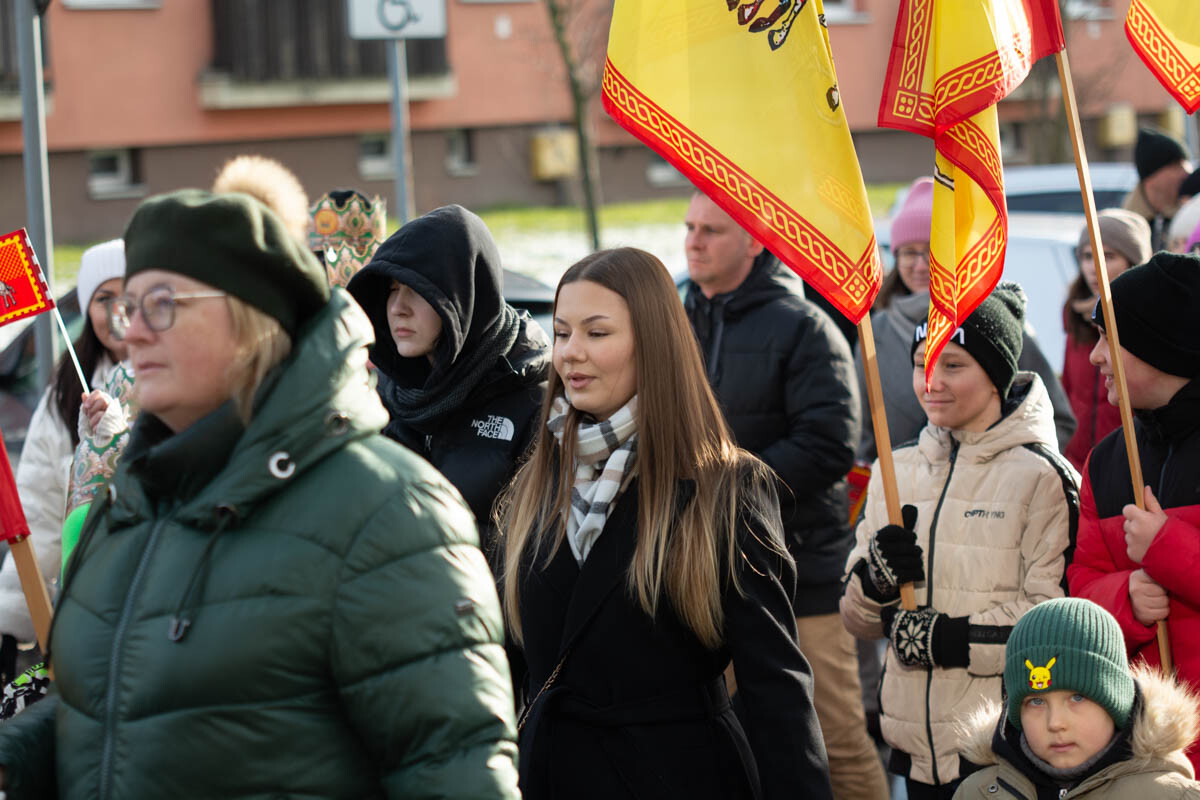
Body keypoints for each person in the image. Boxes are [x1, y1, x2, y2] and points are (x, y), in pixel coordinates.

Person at [0, 190, 520, 798]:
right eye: (126, 307)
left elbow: (453, 772)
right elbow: (113, 707)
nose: (131, 332)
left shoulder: (388, 513)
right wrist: (15, 755)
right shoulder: (134, 502)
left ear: (251, 321)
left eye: (161, 305)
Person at [498, 247, 833, 800]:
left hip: (679, 775)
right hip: (551, 776)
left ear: (653, 343)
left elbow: (776, 693)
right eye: (560, 333)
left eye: (597, 333)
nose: (570, 352)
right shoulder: (535, 479)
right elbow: (510, 661)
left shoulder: (725, 487)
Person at [681, 191, 884, 799]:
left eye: (711, 230)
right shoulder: (676, 322)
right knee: (732, 740)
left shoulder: (805, 328)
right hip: (702, 569)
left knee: (834, 739)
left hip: (801, 574)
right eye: (689, 227)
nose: (693, 241)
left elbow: (827, 445)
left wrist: (724, 487)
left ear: (754, 241)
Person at [841, 283, 1078, 800]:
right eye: (922, 364)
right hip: (915, 750)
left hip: (1005, 749)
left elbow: (1052, 622)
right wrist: (875, 581)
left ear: (994, 375)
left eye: (953, 365)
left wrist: (945, 639)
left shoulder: (1041, 477)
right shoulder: (894, 469)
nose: (932, 381)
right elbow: (858, 620)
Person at [347, 205, 549, 555]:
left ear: (466, 298)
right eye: (392, 290)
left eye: (416, 289)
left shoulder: (534, 403)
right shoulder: (376, 397)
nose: (398, 307)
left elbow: (534, 556)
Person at [1067, 250, 1200, 775]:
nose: (1095, 356)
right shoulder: (1107, 459)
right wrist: (1127, 599)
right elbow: (1082, 583)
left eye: (1110, 338)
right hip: (1142, 751)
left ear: (1161, 344)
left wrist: (1166, 547)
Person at [857, 177, 1076, 464]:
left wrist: (1001, 468)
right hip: (905, 487)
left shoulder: (994, 325)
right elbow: (864, 433)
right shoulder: (875, 332)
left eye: (932, 250)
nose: (920, 265)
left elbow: (1056, 419)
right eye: (909, 252)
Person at [0, 240, 126, 678]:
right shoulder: (67, 392)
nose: (117, 311)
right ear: (86, 309)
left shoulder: (180, 380)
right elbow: (40, 510)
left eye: (128, 296)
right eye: (103, 298)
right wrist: (10, 621)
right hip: (89, 619)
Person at [954, 597, 1200, 799]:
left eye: (1078, 698)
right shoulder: (976, 793)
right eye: (1036, 702)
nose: (1055, 723)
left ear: (1116, 703)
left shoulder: (1172, 795)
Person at [1061, 209, 1152, 471]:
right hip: (1078, 465)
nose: (1093, 267)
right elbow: (1068, 393)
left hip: (1131, 465)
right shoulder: (1075, 316)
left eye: (1108, 256)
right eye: (1087, 256)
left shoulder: (1149, 322)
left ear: (1133, 261)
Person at [1123, 127, 1193, 251]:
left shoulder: (1191, 216)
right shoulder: (1125, 224)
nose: (1186, 172)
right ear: (1152, 175)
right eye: (1175, 165)